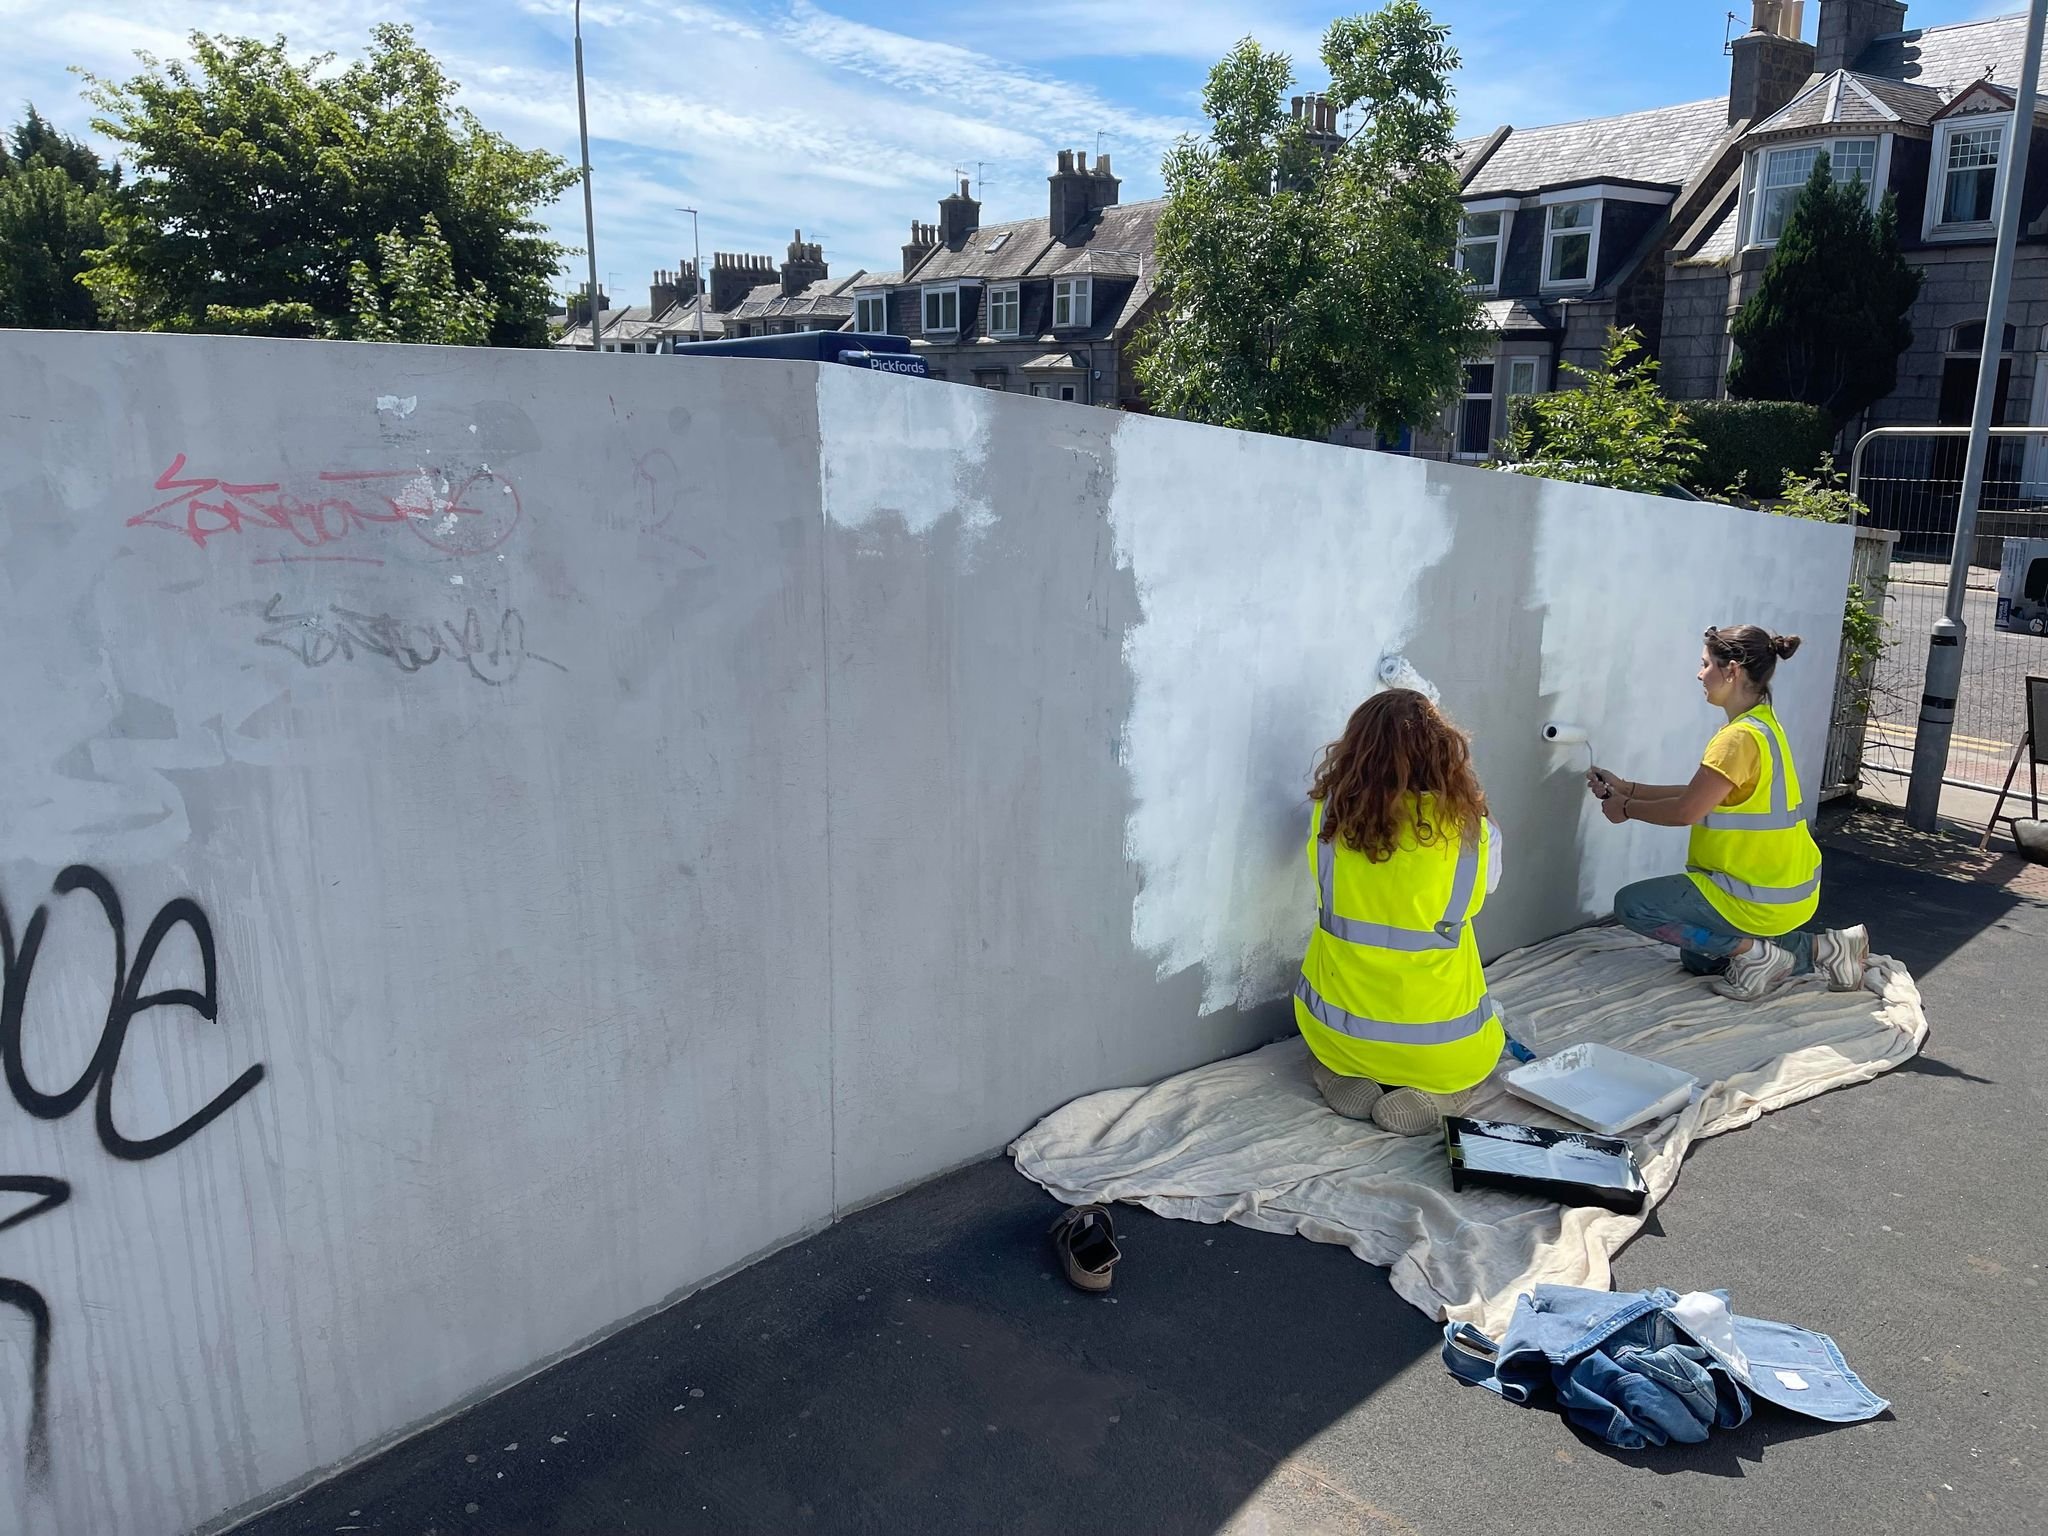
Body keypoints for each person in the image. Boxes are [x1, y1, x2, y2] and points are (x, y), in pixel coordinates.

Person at [1588, 625, 1869, 1001]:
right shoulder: (1762, 726)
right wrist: (1629, 788)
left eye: (1706, 665)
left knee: (1633, 906)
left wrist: (1624, 808)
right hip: (1785, 888)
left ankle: (1757, 955)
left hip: (1749, 892)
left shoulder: (1736, 739)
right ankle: (1827, 949)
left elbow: (1687, 810)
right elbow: (1701, 797)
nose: (1699, 674)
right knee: (1701, 959)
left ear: (1732, 670)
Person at [1295, 689, 1505, 1136]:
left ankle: (1339, 1073)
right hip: (1440, 1043)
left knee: (1329, 1049)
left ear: (1354, 750)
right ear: (1445, 753)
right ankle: (1443, 1093)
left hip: (1340, 1028)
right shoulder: (1473, 832)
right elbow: (1484, 891)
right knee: (1472, 1057)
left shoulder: (1328, 816)